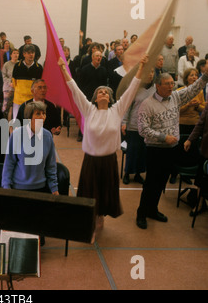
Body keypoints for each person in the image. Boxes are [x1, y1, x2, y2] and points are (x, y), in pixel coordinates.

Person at [58, 54, 148, 238]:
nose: (103, 93)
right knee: (90, 194)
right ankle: (90, 221)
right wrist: (62, 68)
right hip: (91, 161)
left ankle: (100, 218)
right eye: (100, 92)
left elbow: (132, 89)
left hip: (108, 161)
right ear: (95, 97)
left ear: (111, 97)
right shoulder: (88, 110)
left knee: (105, 195)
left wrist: (141, 68)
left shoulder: (117, 110)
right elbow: (74, 89)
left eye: (106, 92)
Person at [136, 66, 208, 230]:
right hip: (155, 150)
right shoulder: (147, 105)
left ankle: (153, 210)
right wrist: (163, 137)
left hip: (171, 149)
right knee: (151, 184)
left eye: (172, 83)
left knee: (161, 183)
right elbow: (143, 130)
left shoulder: (175, 97)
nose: (171, 86)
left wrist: (206, 76)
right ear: (158, 86)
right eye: (167, 84)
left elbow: (193, 89)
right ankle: (141, 213)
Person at [2, 101, 59, 246]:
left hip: (39, 187)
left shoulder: (47, 136)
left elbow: (51, 166)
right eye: (38, 114)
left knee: (38, 237)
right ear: (29, 117)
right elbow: (9, 163)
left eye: (43, 113)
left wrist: (54, 188)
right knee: (21, 229)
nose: (42, 116)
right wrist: (6, 186)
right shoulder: (17, 135)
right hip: (19, 187)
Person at [121, 70, 156, 185]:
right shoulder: (135, 88)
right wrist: (124, 122)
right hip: (134, 125)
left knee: (143, 152)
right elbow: (127, 106)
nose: (150, 74)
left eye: (152, 73)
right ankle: (127, 173)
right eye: (148, 72)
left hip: (149, 126)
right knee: (132, 150)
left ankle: (138, 174)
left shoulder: (156, 89)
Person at [11, 44, 43, 120]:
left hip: (32, 101)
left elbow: (40, 85)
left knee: (31, 123)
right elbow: (14, 82)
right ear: (24, 54)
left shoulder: (39, 68)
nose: (31, 54)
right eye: (29, 53)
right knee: (17, 122)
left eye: (32, 52)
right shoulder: (17, 66)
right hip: (18, 100)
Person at [1, 49, 19, 115]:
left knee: (16, 106)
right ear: (11, 55)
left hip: (17, 88)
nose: (16, 55)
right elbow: (3, 76)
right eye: (14, 53)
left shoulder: (20, 64)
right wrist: (10, 83)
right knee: (6, 105)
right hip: (8, 88)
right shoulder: (6, 64)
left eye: (17, 53)